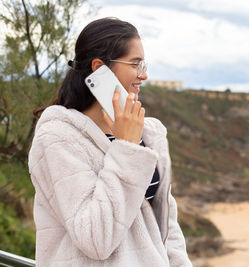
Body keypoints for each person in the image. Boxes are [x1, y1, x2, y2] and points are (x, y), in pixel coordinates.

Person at [28, 17, 192, 266]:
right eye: (135, 64)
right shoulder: (58, 137)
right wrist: (126, 148)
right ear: (99, 68)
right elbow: (96, 239)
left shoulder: (148, 133)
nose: (143, 75)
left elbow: (167, 228)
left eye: (144, 65)